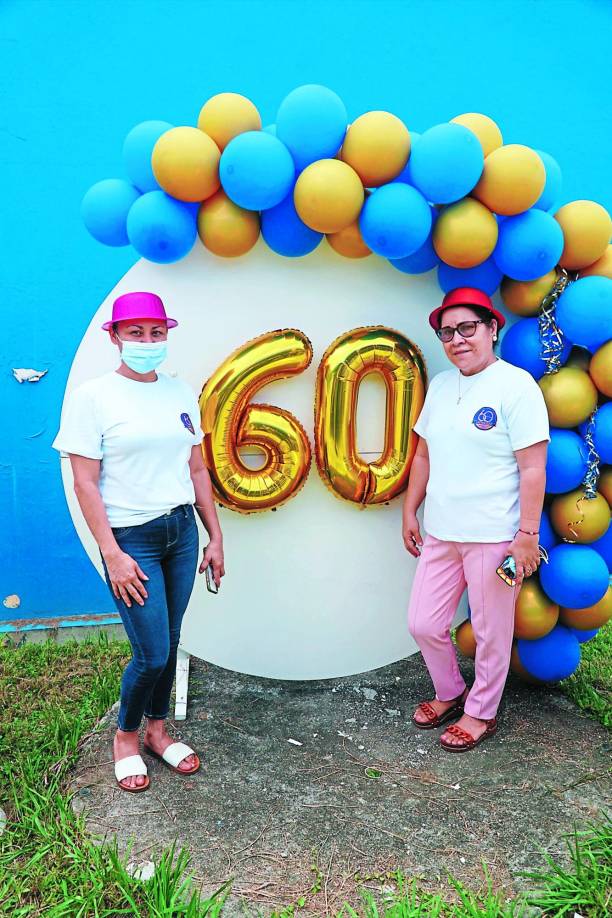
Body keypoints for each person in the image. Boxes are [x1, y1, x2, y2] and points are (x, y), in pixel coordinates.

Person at [53, 291, 225, 791]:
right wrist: (113, 554)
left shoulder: (179, 392)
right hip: (132, 539)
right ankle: (125, 737)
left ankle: (157, 731)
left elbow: (196, 468)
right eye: (135, 333)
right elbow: (85, 482)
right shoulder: (93, 397)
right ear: (114, 336)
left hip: (181, 531)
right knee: (149, 652)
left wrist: (215, 536)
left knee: (170, 643)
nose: (147, 342)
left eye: (156, 333)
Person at [402, 287, 549, 752]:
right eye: (448, 332)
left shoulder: (516, 386)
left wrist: (527, 534)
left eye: (468, 328)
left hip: (494, 536)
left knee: (490, 632)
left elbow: (533, 467)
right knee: (423, 623)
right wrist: (411, 507)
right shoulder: (443, 385)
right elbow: (423, 452)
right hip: (443, 531)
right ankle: (450, 691)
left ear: (492, 329)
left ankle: (481, 712)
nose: (457, 339)